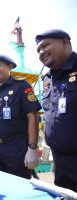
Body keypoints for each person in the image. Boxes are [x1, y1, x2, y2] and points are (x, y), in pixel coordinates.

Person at [0, 54, 42, 179]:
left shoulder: (22, 85)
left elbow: (32, 116)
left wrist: (32, 147)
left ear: (9, 67)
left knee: (20, 186)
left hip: (16, 147)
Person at [35, 29, 77, 191]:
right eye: (38, 50)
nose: (41, 52)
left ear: (65, 42)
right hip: (60, 162)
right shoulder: (47, 79)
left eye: (45, 45)